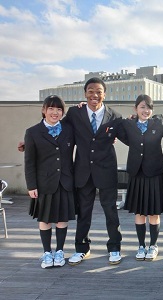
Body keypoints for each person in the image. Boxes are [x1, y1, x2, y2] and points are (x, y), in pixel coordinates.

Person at [65, 77, 123, 265]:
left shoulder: (114, 116)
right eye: (90, 91)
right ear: (85, 93)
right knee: (84, 212)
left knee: (111, 211)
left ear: (104, 94)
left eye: (98, 91)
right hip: (83, 171)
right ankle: (82, 248)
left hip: (106, 171)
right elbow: (58, 128)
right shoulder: (75, 113)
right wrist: (30, 141)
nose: (94, 95)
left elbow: (131, 135)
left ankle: (114, 247)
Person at [117, 95, 163, 262]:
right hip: (137, 172)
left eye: (149, 107)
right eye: (142, 107)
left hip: (154, 172)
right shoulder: (128, 124)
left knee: (154, 212)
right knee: (140, 212)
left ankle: (153, 245)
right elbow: (118, 132)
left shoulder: (158, 123)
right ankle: (141, 245)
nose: (145, 110)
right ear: (135, 109)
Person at [24, 95, 75, 268]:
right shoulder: (32, 132)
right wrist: (31, 185)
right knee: (45, 219)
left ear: (63, 112)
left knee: (62, 218)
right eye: (51, 109)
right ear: (44, 110)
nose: (55, 112)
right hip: (44, 183)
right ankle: (47, 252)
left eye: (59, 109)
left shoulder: (69, 129)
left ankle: (59, 251)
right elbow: (29, 161)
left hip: (65, 181)